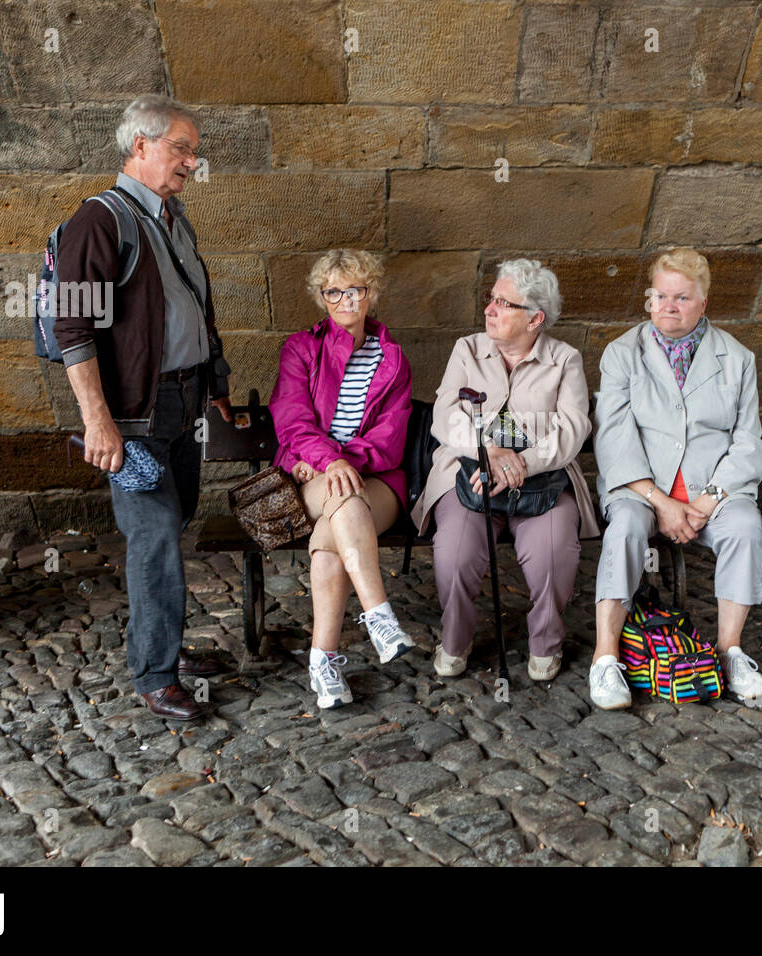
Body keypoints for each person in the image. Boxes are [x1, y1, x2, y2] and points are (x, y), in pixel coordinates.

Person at [58, 95, 232, 721]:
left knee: (172, 523)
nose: (192, 160)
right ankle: (155, 672)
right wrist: (97, 421)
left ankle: (165, 644)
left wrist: (214, 387)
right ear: (139, 145)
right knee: (155, 535)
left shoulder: (171, 216)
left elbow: (195, 309)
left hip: (181, 401)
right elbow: (71, 327)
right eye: (181, 148)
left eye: (193, 149)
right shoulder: (96, 222)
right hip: (134, 415)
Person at [591, 248, 762, 710]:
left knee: (745, 529)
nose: (669, 306)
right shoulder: (622, 353)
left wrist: (707, 500)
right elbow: (613, 439)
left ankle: (729, 650)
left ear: (703, 303)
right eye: (661, 296)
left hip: (712, 491)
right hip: (640, 489)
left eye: (683, 298)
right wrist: (661, 502)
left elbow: (748, 441)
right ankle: (606, 658)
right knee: (627, 529)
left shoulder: (737, 358)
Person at [410, 259, 599, 681]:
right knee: (455, 554)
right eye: (491, 299)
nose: (490, 310)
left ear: (536, 318)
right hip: (468, 476)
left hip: (543, 482)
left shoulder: (564, 360)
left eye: (504, 303)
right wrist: (488, 453)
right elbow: (444, 414)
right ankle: (456, 639)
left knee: (553, 555)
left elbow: (573, 428)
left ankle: (545, 642)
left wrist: (523, 463)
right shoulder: (467, 349)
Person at [268, 250, 415, 710]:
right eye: (335, 291)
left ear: (371, 293)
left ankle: (323, 662)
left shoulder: (392, 358)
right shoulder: (300, 348)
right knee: (344, 500)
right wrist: (329, 462)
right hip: (312, 477)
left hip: (377, 480)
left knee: (341, 516)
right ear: (322, 298)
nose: (346, 299)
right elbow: (292, 421)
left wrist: (339, 462)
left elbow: (389, 438)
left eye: (356, 289)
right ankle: (378, 616)